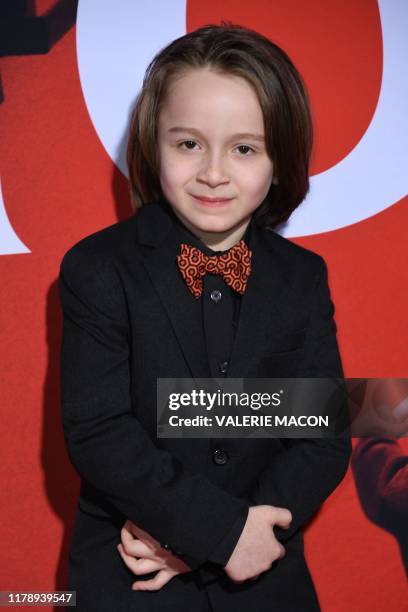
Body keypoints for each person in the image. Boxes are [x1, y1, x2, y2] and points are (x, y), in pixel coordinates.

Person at [58, 23, 351, 611]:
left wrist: (237, 536)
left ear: (281, 157)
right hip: (132, 575)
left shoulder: (302, 276)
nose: (213, 172)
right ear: (152, 144)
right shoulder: (98, 268)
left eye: (244, 147)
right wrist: (213, 532)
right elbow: (100, 431)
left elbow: (321, 437)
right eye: (188, 143)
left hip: (266, 582)